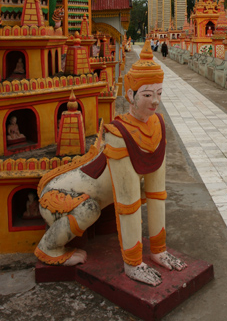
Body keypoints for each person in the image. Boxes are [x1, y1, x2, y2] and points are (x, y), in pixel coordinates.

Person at [34, 41, 186, 286]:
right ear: (130, 96)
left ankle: (157, 252)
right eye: (147, 95)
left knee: (152, 196)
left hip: (91, 198)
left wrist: (159, 250)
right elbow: (128, 202)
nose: (155, 102)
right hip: (62, 200)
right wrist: (134, 263)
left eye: (159, 94)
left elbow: (157, 193)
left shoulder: (157, 124)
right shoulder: (118, 132)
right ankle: (49, 247)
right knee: (91, 209)